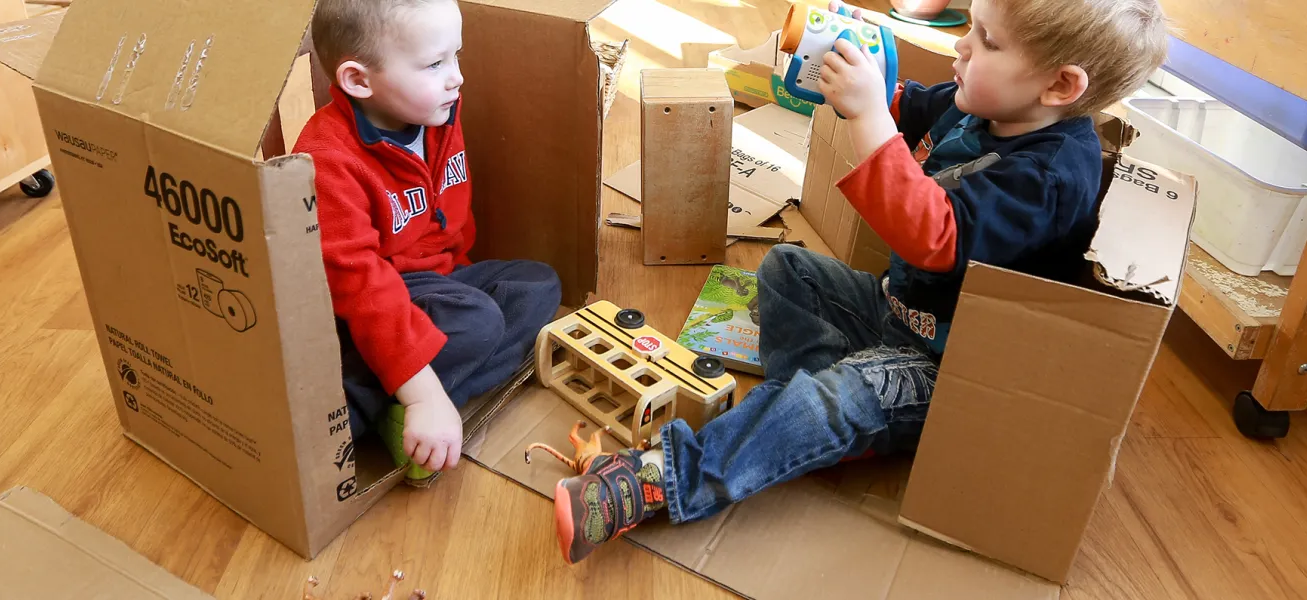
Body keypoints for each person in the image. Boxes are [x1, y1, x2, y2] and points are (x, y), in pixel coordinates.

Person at [549, 0, 1169, 563]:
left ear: (1059, 86)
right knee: (786, 268)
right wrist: (856, 80)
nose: (962, 46)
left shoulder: (1052, 177)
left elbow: (934, 235)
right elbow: (911, 104)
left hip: (951, 370)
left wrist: (869, 112)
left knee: (834, 399)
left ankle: (661, 477)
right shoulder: (988, 102)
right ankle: (804, 428)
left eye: (986, 40)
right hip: (895, 310)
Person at [294, 0, 562, 482]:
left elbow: (451, 223)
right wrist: (423, 392)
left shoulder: (436, 110)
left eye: (456, 55)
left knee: (537, 284)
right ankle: (375, 402)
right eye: (435, 63)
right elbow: (359, 286)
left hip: (441, 283)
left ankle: (401, 405)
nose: (456, 76)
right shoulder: (328, 159)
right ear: (359, 81)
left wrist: (464, 283)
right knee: (479, 322)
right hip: (371, 305)